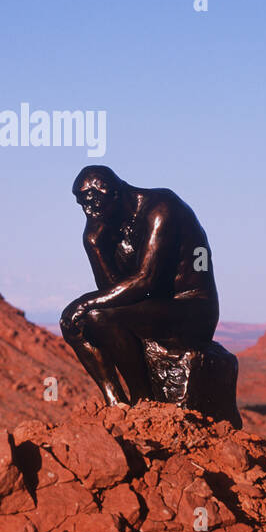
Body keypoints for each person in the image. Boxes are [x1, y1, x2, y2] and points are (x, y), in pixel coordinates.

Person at [60, 165, 220, 408]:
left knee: (97, 316)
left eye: (94, 205)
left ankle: (143, 400)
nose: (89, 213)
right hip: (150, 306)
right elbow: (111, 289)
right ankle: (115, 402)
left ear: (114, 195)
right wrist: (94, 245)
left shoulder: (160, 208)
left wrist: (84, 302)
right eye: (83, 206)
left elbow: (146, 281)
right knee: (75, 322)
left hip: (192, 308)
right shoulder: (104, 227)